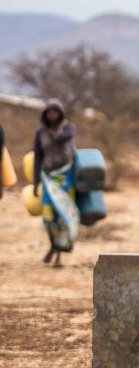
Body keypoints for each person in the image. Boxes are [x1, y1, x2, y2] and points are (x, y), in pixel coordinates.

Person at [33, 99, 78, 267]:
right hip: (47, 177)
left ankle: (59, 253)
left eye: (55, 111)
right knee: (48, 217)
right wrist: (36, 182)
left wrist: (53, 131)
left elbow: (62, 138)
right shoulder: (40, 132)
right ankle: (53, 245)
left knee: (62, 216)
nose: (52, 115)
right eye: (49, 112)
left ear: (60, 112)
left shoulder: (68, 128)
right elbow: (38, 156)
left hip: (65, 177)